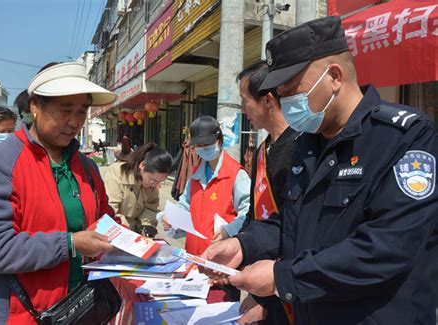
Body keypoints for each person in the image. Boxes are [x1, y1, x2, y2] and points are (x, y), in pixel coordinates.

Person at [202, 16, 438, 324]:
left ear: (335, 77)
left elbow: (386, 248)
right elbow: (291, 222)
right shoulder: (308, 143)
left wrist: (282, 277)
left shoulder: (405, 137)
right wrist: (244, 245)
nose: (285, 102)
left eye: (291, 90)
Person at [0, 61, 118, 324]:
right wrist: (71, 243)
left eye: (82, 111)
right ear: (35, 107)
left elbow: (105, 217)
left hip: (80, 308)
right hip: (20, 314)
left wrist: (124, 237)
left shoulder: (87, 168)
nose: (74, 122)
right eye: (65, 110)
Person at [237, 62, 298, 325]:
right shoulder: (263, 151)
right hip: (260, 280)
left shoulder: (300, 149)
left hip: (286, 288)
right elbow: (254, 214)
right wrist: (237, 250)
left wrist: (267, 301)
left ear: (268, 100)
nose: (243, 110)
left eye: (245, 100)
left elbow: (296, 232)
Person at [162, 116, 251, 255]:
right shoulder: (196, 175)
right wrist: (171, 219)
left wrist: (229, 231)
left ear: (219, 141)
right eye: (198, 146)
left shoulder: (236, 174)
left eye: (207, 145)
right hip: (193, 255)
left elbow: (248, 213)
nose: (202, 149)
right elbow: (185, 204)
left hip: (222, 258)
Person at [102, 143, 172, 237]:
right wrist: (127, 231)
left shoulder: (152, 183)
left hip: (135, 236)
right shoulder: (116, 174)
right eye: (152, 179)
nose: (154, 185)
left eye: (159, 182)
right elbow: (109, 211)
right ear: (142, 165)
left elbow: (150, 207)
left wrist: (146, 226)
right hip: (115, 233)